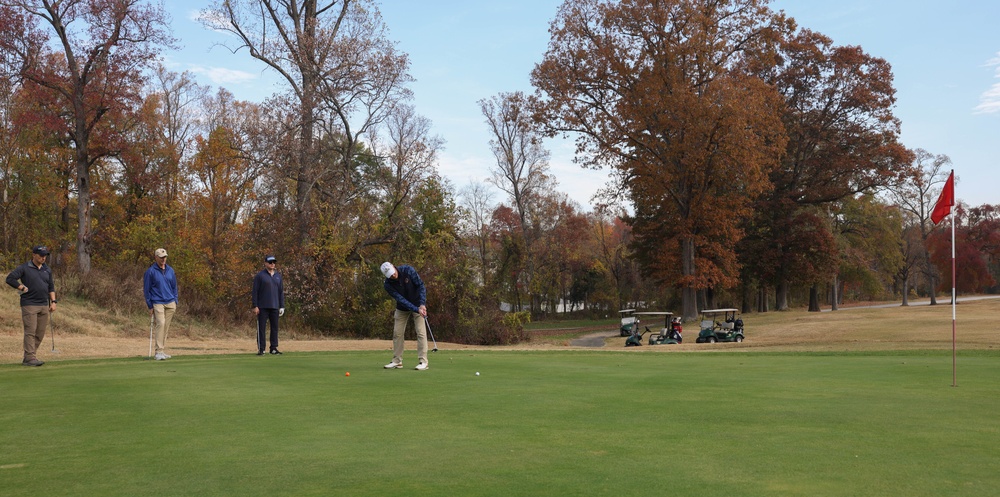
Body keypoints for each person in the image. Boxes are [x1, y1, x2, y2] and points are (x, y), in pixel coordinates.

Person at [6, 246, 56, 366]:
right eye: (40, 255)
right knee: (30, 331)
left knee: (40, 333)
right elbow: (10, 278)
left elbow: (51, 287)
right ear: (34, 255)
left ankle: (29, 356)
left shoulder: (47, 270)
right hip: (29, 304)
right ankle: (30, 358)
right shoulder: (24, 267)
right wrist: (21, 287)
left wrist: (54, 302)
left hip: (44, 304)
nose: (43, 257)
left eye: (45, 255)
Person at [380, 261, 429, 370]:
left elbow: (420, 285)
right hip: (403, 307)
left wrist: (422, 304)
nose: (393, 275)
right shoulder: (388, 284)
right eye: (389, 275)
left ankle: (423, 361)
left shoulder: (408, 270)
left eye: (392, 272)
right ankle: (397, 361)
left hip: (418, 304)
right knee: (397, 333)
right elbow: (401, 299)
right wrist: (416, 309)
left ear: (393, 266)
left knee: (420, 332)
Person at [143, 248, 178, 360]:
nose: (164, 259)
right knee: (161, 324)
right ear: (156, 258)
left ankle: (162, 351)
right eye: (161, 257)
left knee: (165, 327)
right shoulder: (150, 271)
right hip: (157, 302)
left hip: (170, 303)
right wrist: (150, 305)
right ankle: (158, 352)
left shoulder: (170, 270)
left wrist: (175, 300)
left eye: (165, 257)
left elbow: (174, 287)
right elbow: (146, 290)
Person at [252, 254, 285, 355]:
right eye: (270, 262)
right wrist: (255, 305)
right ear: (265, 263)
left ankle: (273, 348)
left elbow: (281, 292)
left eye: (274, 262)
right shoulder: (260, 276)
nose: (272, 264)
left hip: (275, 306)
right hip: (262, 306)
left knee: (274, 328)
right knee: (261, 328)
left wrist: (282, 306)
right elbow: (255, 291)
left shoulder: (278, 276)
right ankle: (261, 349)